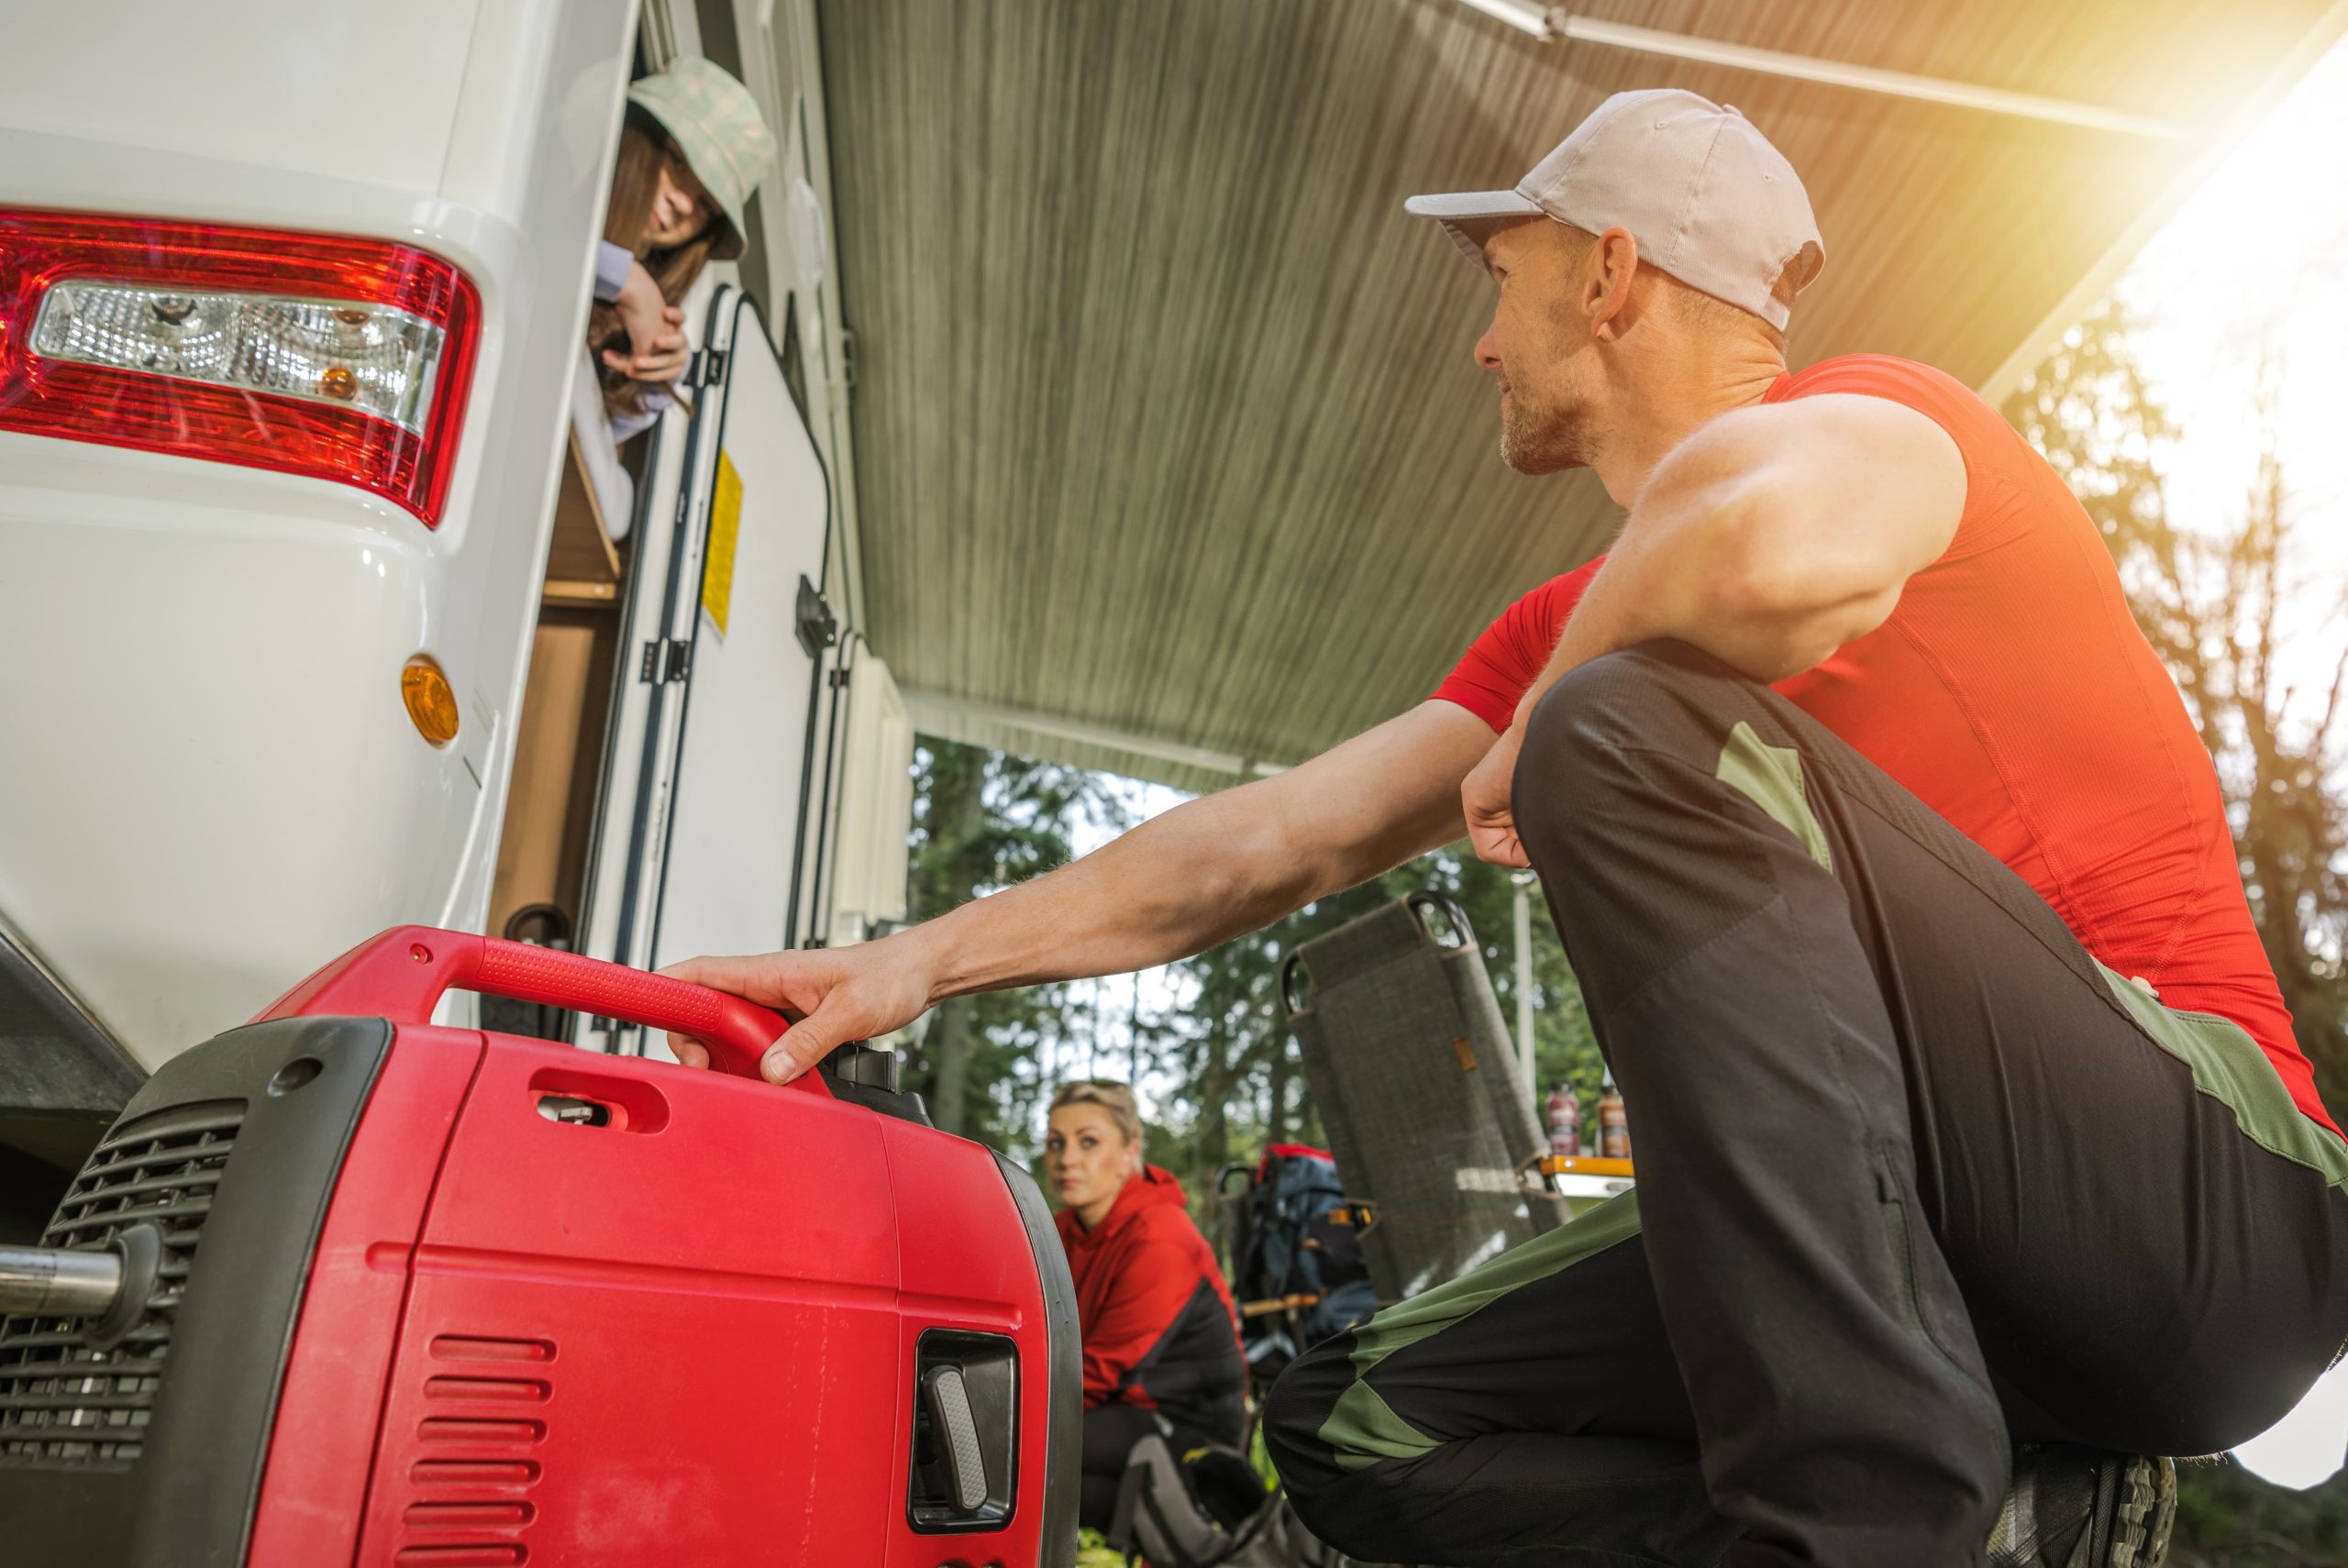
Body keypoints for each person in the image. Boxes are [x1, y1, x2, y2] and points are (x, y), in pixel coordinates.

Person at [661, 87, 2348, 1567]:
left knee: (1620, 732)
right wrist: (915, 961)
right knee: (1354, 1422)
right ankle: (2001, 1516)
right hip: (1955, 1279)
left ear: (1608, 273)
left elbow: (1766, 550)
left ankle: (1870, 1522)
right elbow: (1267, 843)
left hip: (2208, 1201)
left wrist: (1575, 700)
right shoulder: (1569, 640)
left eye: (1507, 279)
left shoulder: (1892, 422)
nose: (1483, 338)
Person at [1044, 1080, 1249, 1534]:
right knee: (1016, 1457)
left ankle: (1194, 1536)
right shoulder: (1057, 1231)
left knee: (1028, 1451)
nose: (1067, 1159)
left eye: (1089, 1142)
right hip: (1111, 1404)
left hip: (1188, 1425)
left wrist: (1002, 1403)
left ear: (1129, 1151)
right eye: (1055, 1142)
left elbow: (1101, 1372)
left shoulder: (1161, 1237)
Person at [588, 57, 777, 444]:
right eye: (678, 162)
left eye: (706, 206)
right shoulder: (561, 175)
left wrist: (657, 382)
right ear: (637, 135)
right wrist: (629, 282)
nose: (685, 204)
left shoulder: (637, 318)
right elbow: (544, 239)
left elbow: (589, 452)